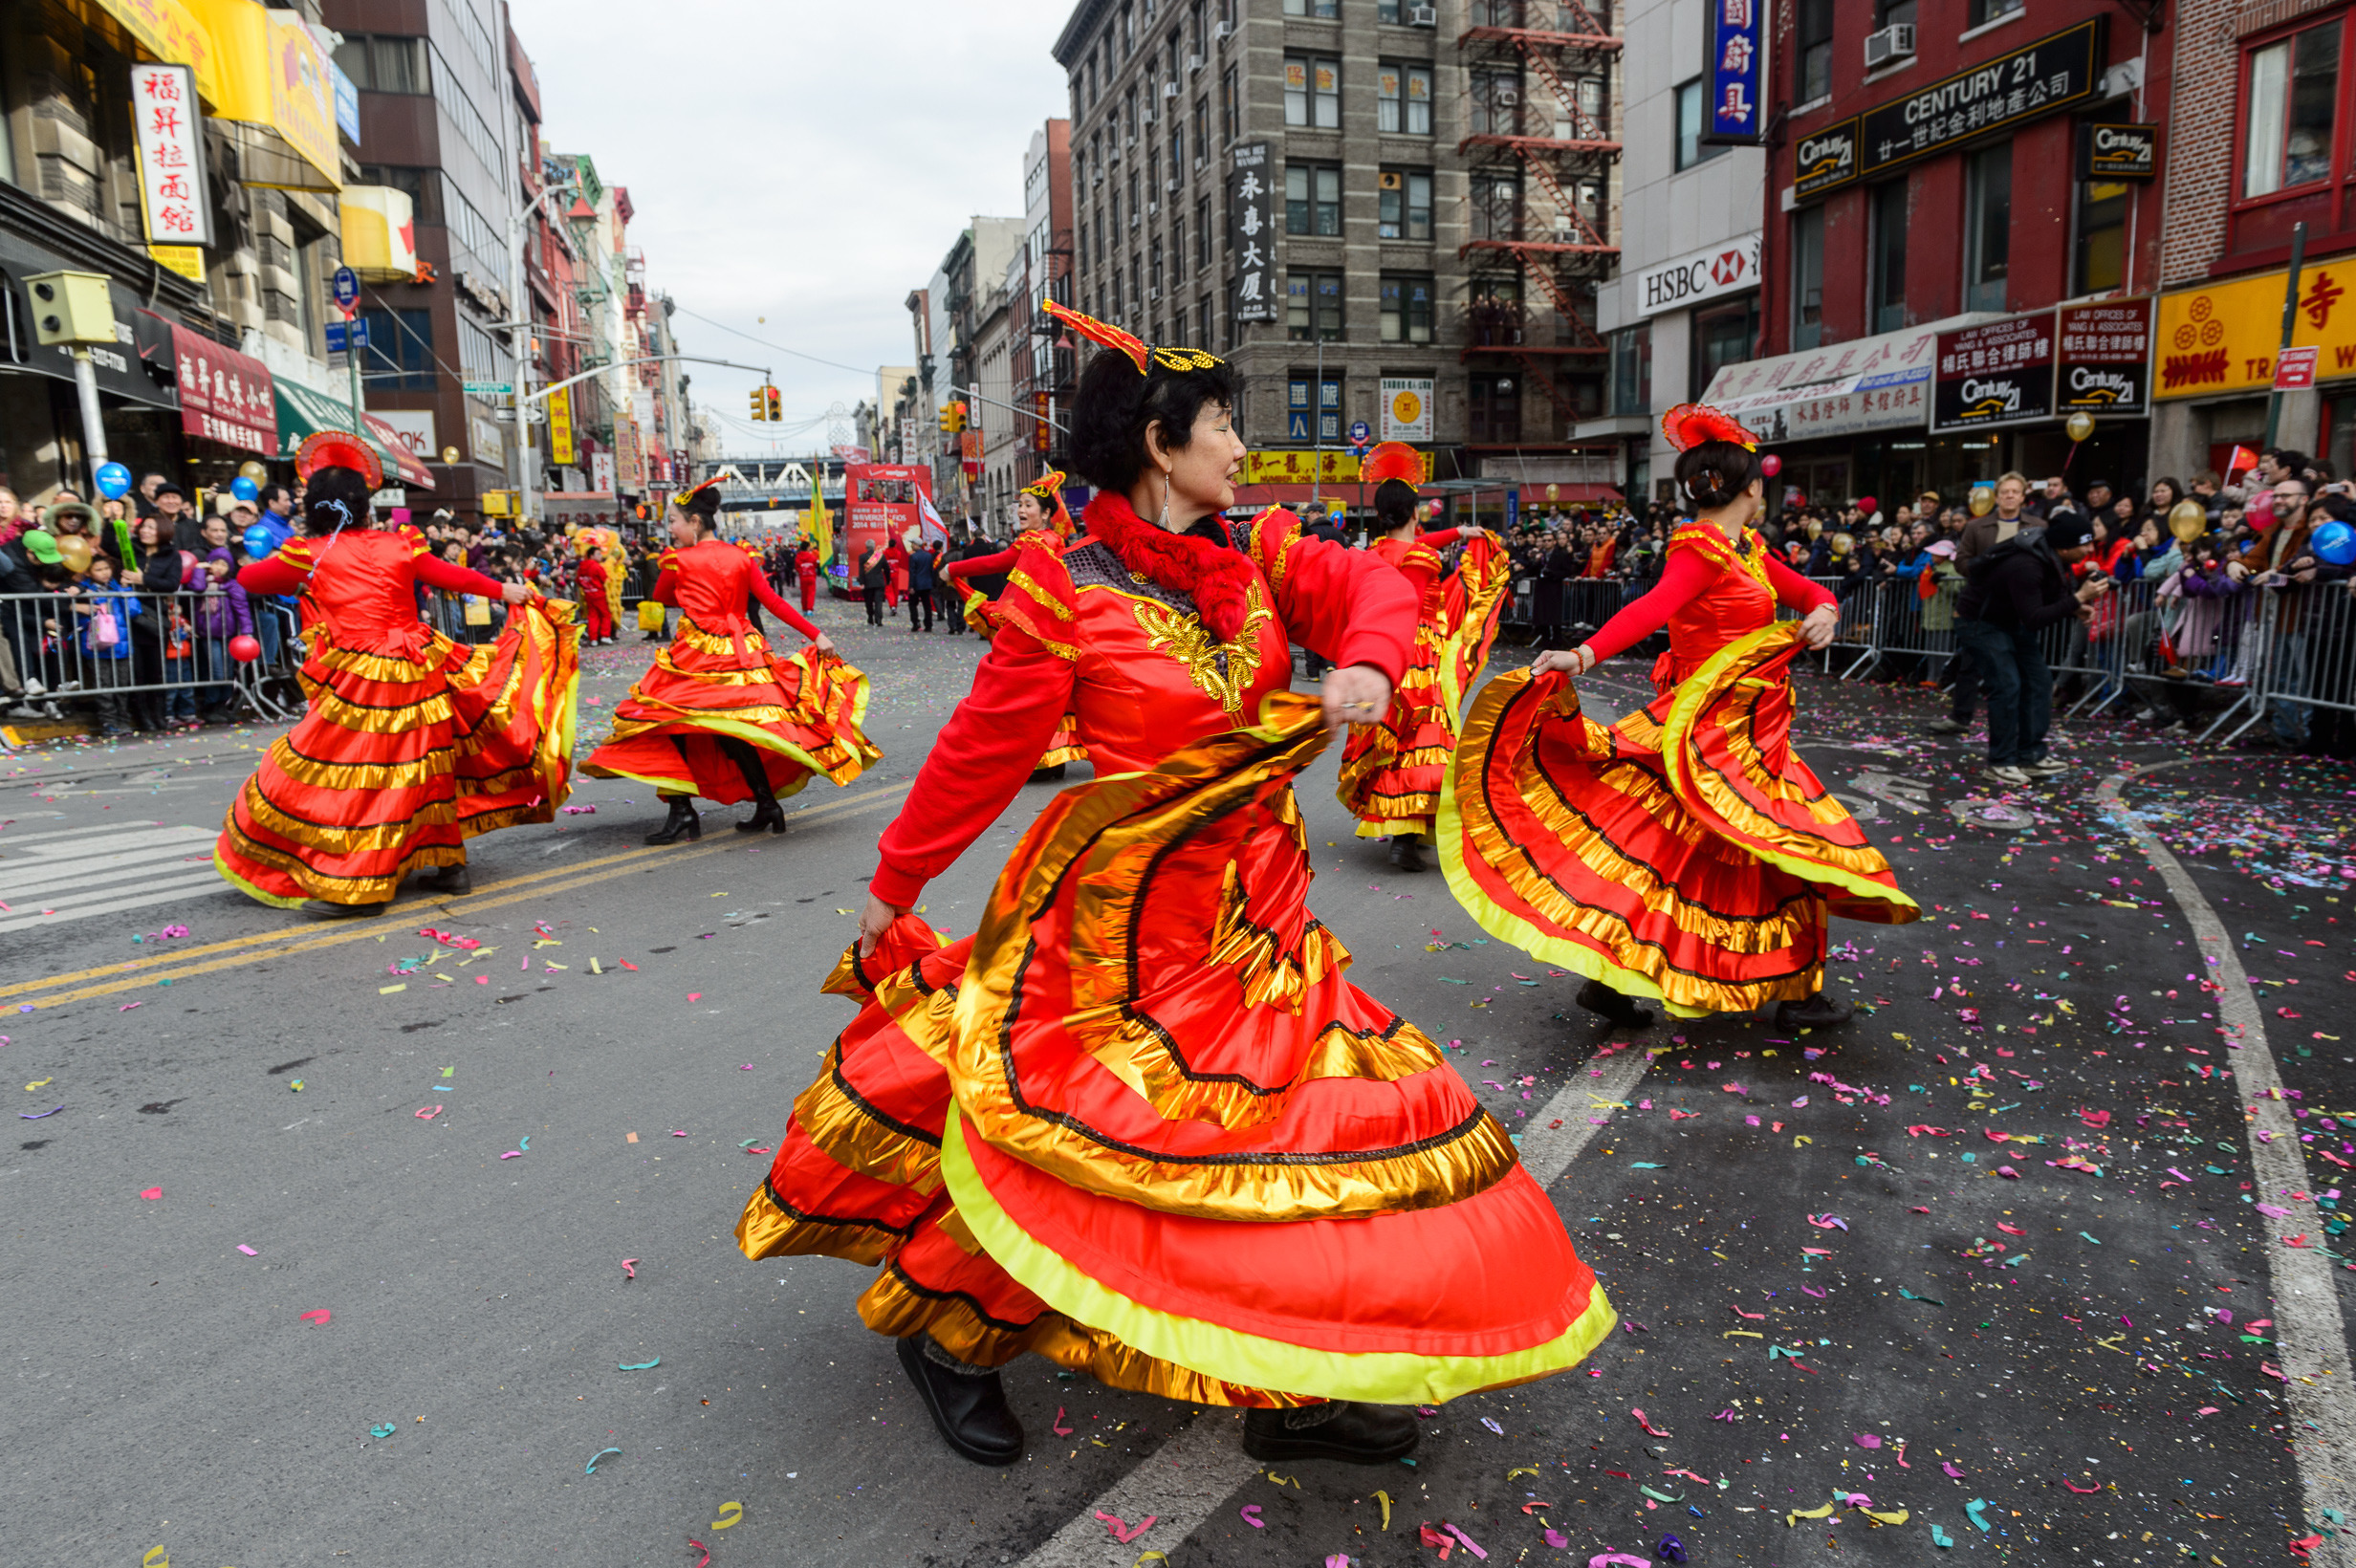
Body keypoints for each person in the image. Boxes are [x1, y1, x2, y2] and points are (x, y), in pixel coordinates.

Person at [738, 300, 1612, 1471]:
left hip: (1261, 922)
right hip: (1125, 938)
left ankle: (1290, 1380)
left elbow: (1380, 593)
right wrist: (896, 883)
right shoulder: (1064, 591)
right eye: (1220, 424)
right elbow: (979, 750)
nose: (1241, 448)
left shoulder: (1253, 558)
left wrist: (1363, 661)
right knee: (1078, 1146)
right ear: (1160, 444)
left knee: (1291, 1143)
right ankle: (950, 1334)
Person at [1438, 403, 1919, 1034]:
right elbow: (1650, 609)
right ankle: (1784, 990)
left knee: (1702, 851)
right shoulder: (1702, 551)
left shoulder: (1745, 549)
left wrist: (1825, 610)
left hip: (1750, 731)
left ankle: (1649, 982)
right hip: (1710, 733)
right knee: (1763, 845)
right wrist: (1583, 655)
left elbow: (1806, 591)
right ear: (1751, 487)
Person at [213, 434, 579, 914]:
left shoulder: (309, 552)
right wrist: (505, 591)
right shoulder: (400, 542)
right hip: (419, 665)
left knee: (363, 776)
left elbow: (249, 579)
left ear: (317, 508)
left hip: (363, 677)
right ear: (364, 506)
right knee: (426, 767)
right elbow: (453, 577)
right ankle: (450, 866)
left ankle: (362, 886)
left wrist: (291, 575)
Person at [583, 477, 879, 843]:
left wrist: (692, 591)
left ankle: (682, 811)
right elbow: (772, 602)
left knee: (664, 721)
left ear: (694, 522)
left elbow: (661, 595)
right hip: (744, 652)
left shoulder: (677, 559)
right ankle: (767, 803)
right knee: (738, 728)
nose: (671, 529)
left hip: (696, 655)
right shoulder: (741, 556)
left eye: (674, 521)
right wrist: (816, 635)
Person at [1334, 443, 1505, 870]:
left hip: (1378, 649)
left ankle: (1406, 830)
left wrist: (1457, 534)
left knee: (1393, 740)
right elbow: (1407, 603)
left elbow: (1408, 553)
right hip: (1415, 656)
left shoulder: (1372, 554)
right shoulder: (1421, 557)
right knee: (1423, 740)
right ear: (1415, 512)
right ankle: (1407, 838)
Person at [942, 470, 1088, 781]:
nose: (1021, 510)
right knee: (1051, 692)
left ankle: (1034, 755)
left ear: (1046, 513)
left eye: (1028, 505)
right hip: (1058, 634)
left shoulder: (1032, 542)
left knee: (1019, 691)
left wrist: (951, 568)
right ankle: (1054, 756)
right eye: (1019, 505)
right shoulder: (1056, 540)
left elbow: (995, 562)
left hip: (1035, 635)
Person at [1954, 512, 2107, 787]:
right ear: (2064, 546)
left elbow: (2051, 594)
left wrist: (2074, 606)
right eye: (2084, 544)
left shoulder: (2051, 558)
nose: (2089, 550)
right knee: (2007, 684)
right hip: (1981, 622)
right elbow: (2035, 617)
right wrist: (2079, 598)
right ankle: (2000, 762)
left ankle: (2030, 755)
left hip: (2010, 620)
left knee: (2039, 680)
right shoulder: (2026, 564)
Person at [576, 531, 616, 646]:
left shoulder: (581, 567)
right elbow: (605, 579)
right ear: (591, 555)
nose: (600, 556)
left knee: (592, 616)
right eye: (598, 554)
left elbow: (578, 580)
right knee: (605, 615)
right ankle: (605, 636)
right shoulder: (596, 566)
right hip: (599, 594)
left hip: (588, 594)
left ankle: (593, 638)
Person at [906, 538, 937, 633]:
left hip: (916, 584)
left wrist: (911, 586)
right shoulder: (929, 556)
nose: (911, 546)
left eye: (912, 544)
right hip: (927, 584)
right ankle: (928, 625)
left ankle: (915, 623)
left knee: (912, 604)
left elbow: (912, 572)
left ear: (916, 545)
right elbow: (931, 570)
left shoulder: (913, 557)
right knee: (927, 605)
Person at [858, 538, 888, 626]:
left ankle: (870, 617)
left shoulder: (862, 557)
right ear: (874, 546)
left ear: (866, 547)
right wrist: (888, 580)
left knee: (869, 601)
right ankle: (879, 620)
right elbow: (887, 569)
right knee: (878, 602)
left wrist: (861, 583)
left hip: (868, 583)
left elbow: (861, 571)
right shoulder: (881, 556)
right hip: (879, 583)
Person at [796, 536, 820, 615]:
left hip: (803, 577)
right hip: (811, 577)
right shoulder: (811, 556)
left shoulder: (798, 557)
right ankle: (809, 609)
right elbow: (815, 564)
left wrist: (802, 571)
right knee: (811, 593)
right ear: (807, 547)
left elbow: (797, 567)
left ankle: (804, 609)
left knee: (804, 594)